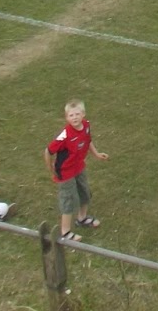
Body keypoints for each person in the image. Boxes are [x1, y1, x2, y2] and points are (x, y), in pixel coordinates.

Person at [46, 98, 108, 242]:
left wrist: (97, 154)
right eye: (71, 115)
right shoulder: (65, 135)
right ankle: (65, 232)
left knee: (85, 192)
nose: (75, 117)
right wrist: (51, 170)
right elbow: (48, 151)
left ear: (83, 114)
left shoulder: (86, 126)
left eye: (77, 114)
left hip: (79, 167)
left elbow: (88, 140)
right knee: (69, 200)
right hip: (65, 172)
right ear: (67, 118)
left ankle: (82, 218)